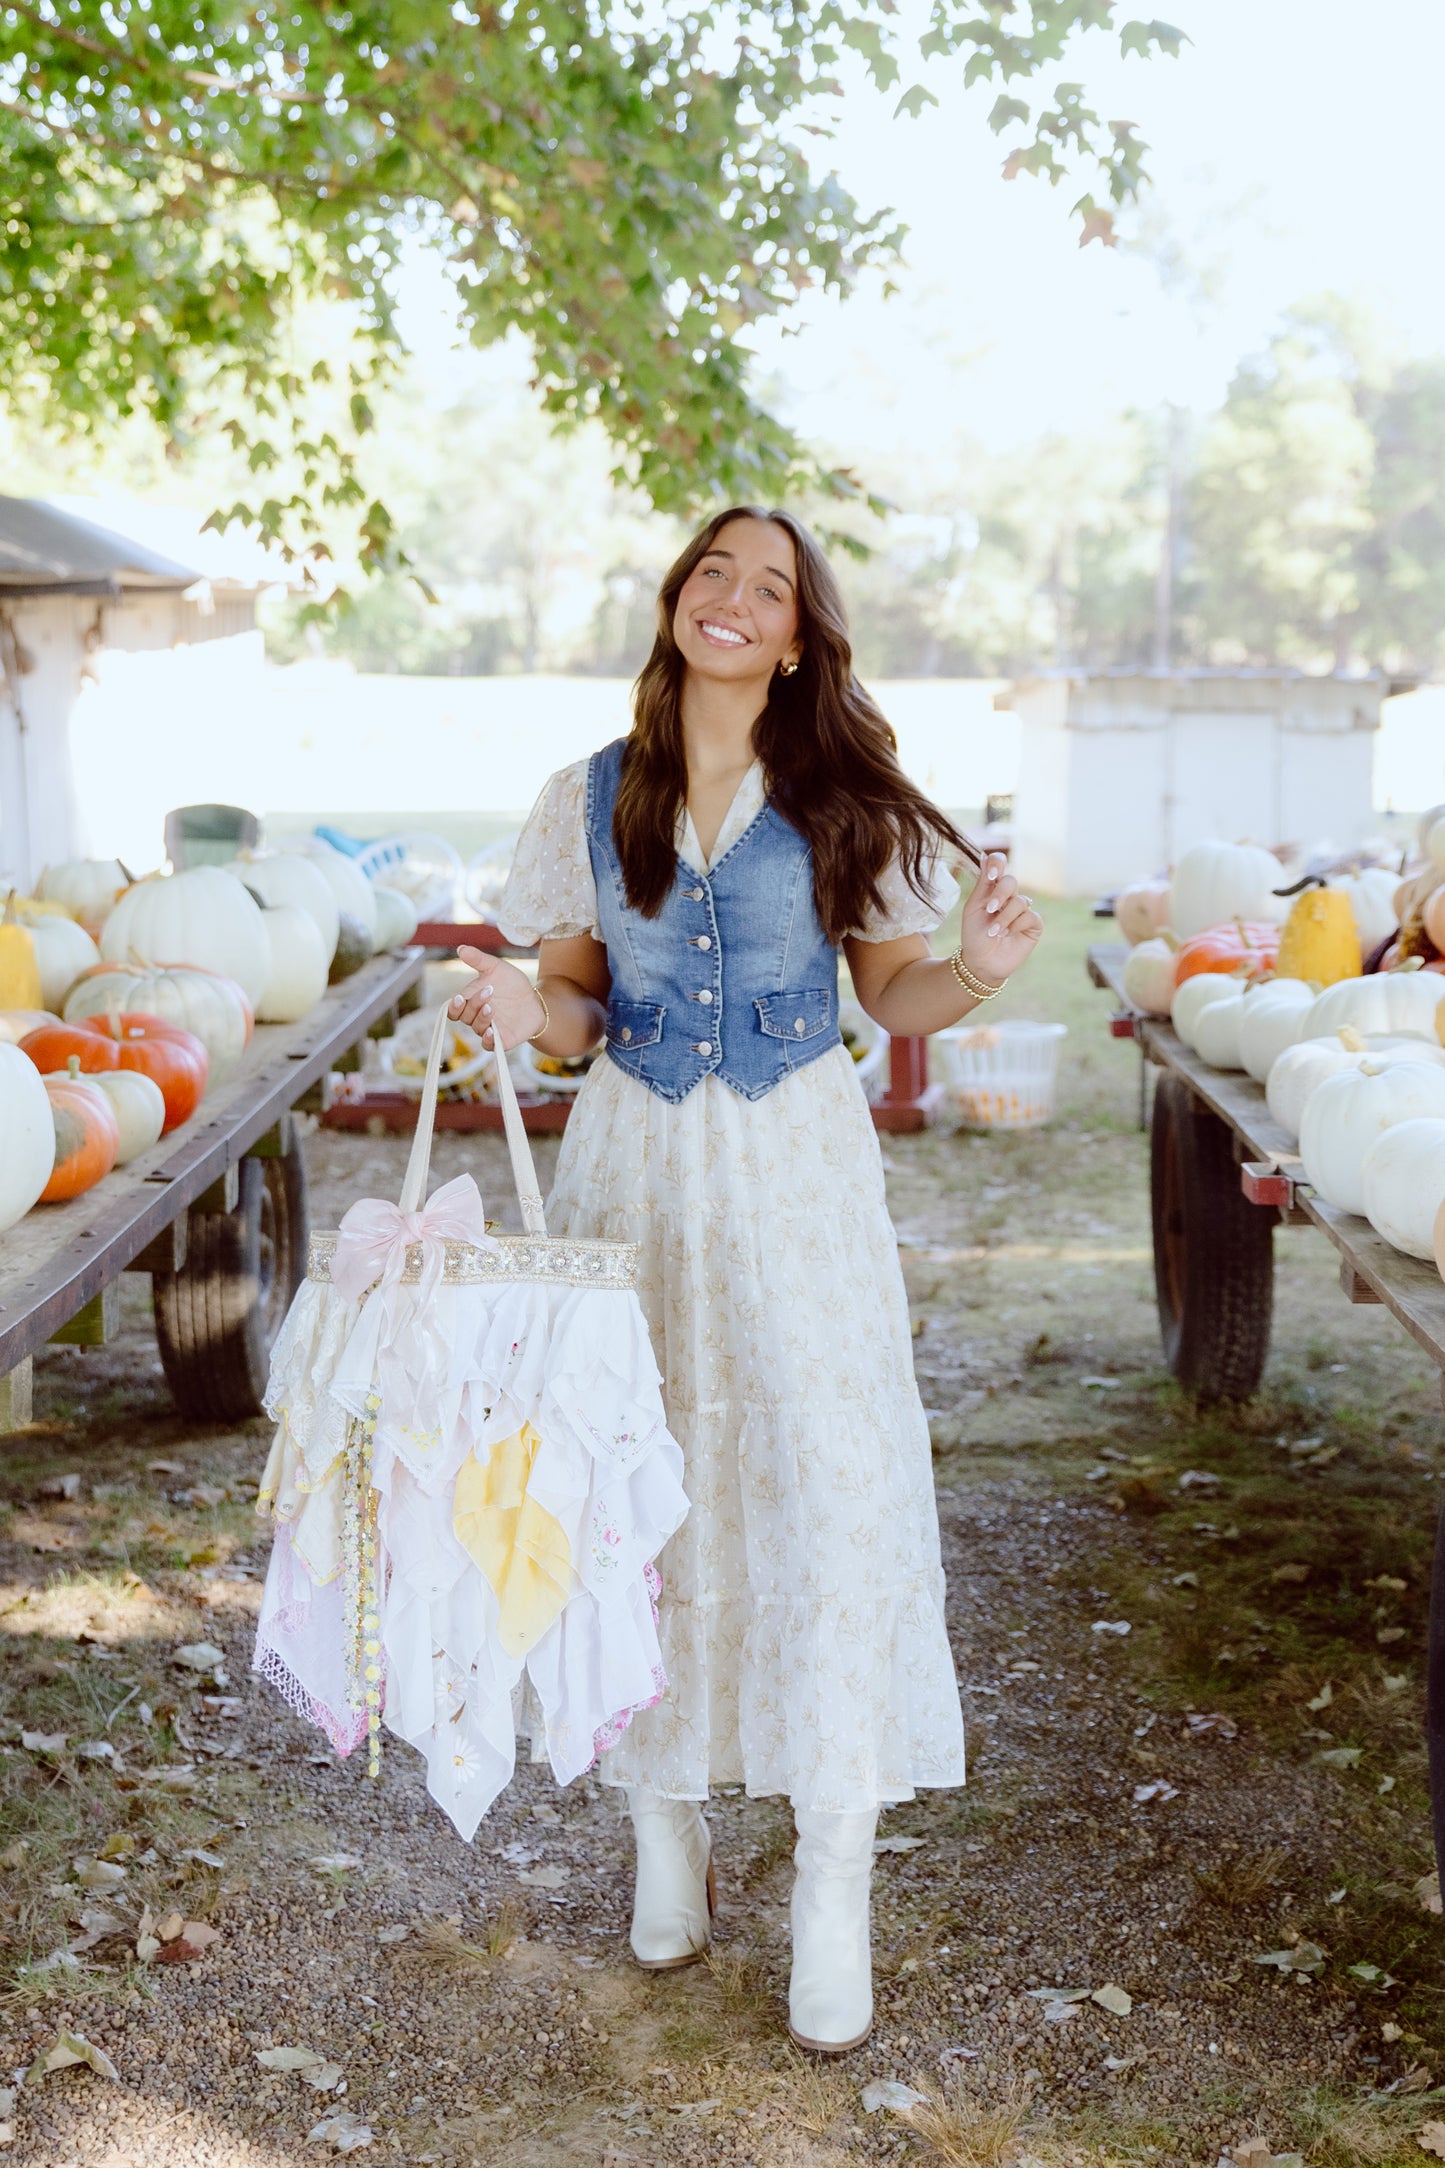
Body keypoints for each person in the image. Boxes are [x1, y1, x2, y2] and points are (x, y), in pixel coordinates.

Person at [447, 505, 1042, 2053]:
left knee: (823, 1489)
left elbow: (890, 991)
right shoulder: (590, 795)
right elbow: (580, 1009)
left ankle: (832, 1869)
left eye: (766, 587)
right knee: (649, 1488)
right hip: (636, 1169)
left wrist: (974, 964)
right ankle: (663, 1820)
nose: (732, 597)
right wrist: (529, 1002)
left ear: (796, 638)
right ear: (675, 604)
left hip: (794, 1175)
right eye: (712, 571)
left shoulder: (841, 793)